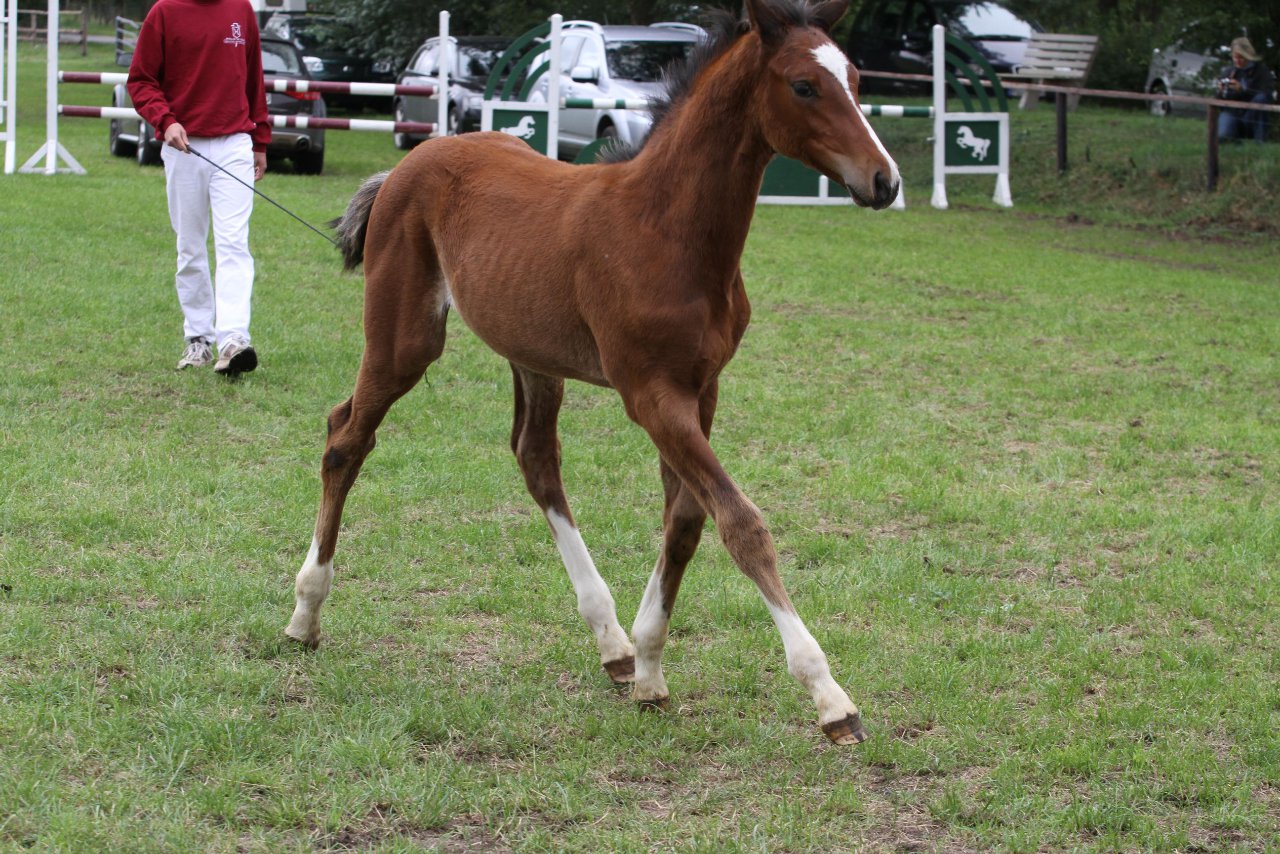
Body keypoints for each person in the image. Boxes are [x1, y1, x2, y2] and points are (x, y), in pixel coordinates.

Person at [127, 0, 271, 376]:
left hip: (235, 142)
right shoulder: (163, 12)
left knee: (233, 244)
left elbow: (254, 78)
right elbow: (141, 80)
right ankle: (198, 340)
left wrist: (260, 141)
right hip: (183, 145)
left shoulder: (241, 10)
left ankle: (234, 340)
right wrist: (165, 120)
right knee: (190, 246)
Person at [1216, 36, 1276, 144]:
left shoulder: (1261, 71)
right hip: (1233, 114)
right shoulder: (1229, 72)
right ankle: (1235, 144)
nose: (1238, 61)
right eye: (1235, 58)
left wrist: (1242, 90)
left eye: (1241, 58)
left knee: (1261, 99)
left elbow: (1266, 95)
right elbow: (1219, 103)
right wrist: (1222, 92)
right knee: (1223, 137)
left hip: (1252, 115)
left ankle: (1260, 142)